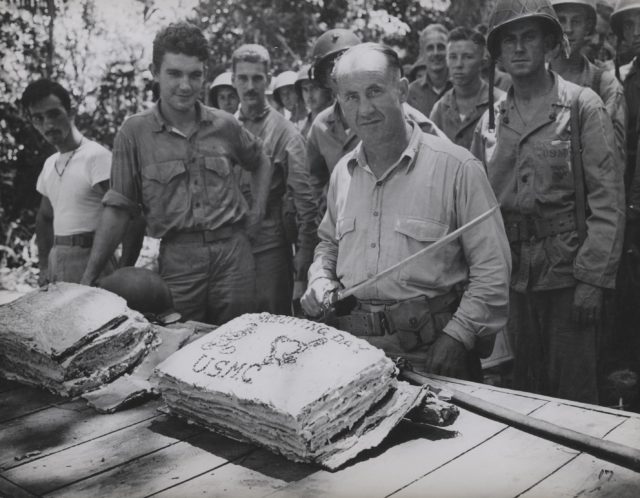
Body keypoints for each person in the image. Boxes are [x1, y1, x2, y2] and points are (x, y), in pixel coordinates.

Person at [301, 43, 511, 381]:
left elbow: (493, 271)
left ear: (402, 90)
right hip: (356, 354)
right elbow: (328, 245)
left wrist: (458, 336)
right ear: (339, 103)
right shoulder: (343, 172)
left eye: (374, 91)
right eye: (351, 97)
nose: (364, 108)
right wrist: (320, 278)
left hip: (435, 353)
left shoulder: (457, 168)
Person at [471, 0, 625, 403]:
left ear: (550, 45)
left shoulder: (581, 106)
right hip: (510, 278)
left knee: (574, 398)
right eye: (509, 41)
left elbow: (608, 203)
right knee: (521, 393)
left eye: (529, 38)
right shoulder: (492, 117)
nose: (518, 49)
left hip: (568, 275)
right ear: (499, 53)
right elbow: (475, 205)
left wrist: (592, 280)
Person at [81, 22, 273, 325]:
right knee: (179, 343)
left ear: (205, 75)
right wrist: (90, 275)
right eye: (174, 73)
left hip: (234, 256)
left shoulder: (225, 125)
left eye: (195, 75)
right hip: (180, 260)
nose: (185, 85)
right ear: (155, 72)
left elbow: (261, 159)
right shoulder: (134, 133)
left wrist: (257, 213)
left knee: (240, 343)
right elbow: (118, 209)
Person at [305, 28, 447, 223]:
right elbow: (314, 179)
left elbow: (445, 158)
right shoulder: (320, 126)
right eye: (330, 68)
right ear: (323, 79)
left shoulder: (402, 114)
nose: (339, 72)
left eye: (347, 61)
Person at [21, 79, 143, 285]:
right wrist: (43, 266)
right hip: (57, 261)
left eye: (54, 114)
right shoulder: (50, 164)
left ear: (71, 112)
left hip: (93, 262)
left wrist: (123, 270)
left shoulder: (96, 157)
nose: (48, 125)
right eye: (39, 118)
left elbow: (133, 216)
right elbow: (44, 217)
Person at [232, 44, 318, 315]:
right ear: (233, 80)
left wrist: (303, 258)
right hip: (228, 250)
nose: (250, 86)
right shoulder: (223, 127)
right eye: (243, 78)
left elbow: (307, 203)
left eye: (257, 78)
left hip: (269, 248)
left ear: (267, 81)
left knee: (270, 330)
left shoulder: (286, 133)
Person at [550, 0, 626, 168]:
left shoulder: (605, 85)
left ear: (588, 27)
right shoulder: (531, 81)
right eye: (561, 20)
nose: (568, 29)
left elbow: (613, 162)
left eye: (576, 21)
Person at [430, 27, 506, 150]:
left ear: (483, 62)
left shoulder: (501, 104)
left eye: (467, 57)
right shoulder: (440, 109)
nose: (459, 64)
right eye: (453, 57)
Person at [407, 24, 453, 117]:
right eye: (430, 48)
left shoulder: (460, 87)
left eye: (440, 47)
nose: (435, 53)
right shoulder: (411, 93)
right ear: (423, 53)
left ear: (449, 50)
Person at [294, 64, 333, 138]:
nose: (309, 95)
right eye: (305, 89)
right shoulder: (300, 127)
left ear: (326, 89)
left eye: (314, 88)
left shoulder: (338, 121)